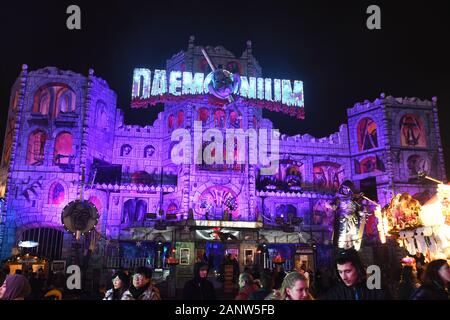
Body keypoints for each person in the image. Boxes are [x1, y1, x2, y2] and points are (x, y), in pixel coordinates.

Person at [325, 249, 389, 300]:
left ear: (358, 269)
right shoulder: (335, 293)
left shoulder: (378, 290)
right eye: (340, 272)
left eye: (348, 271)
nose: (344, 277)